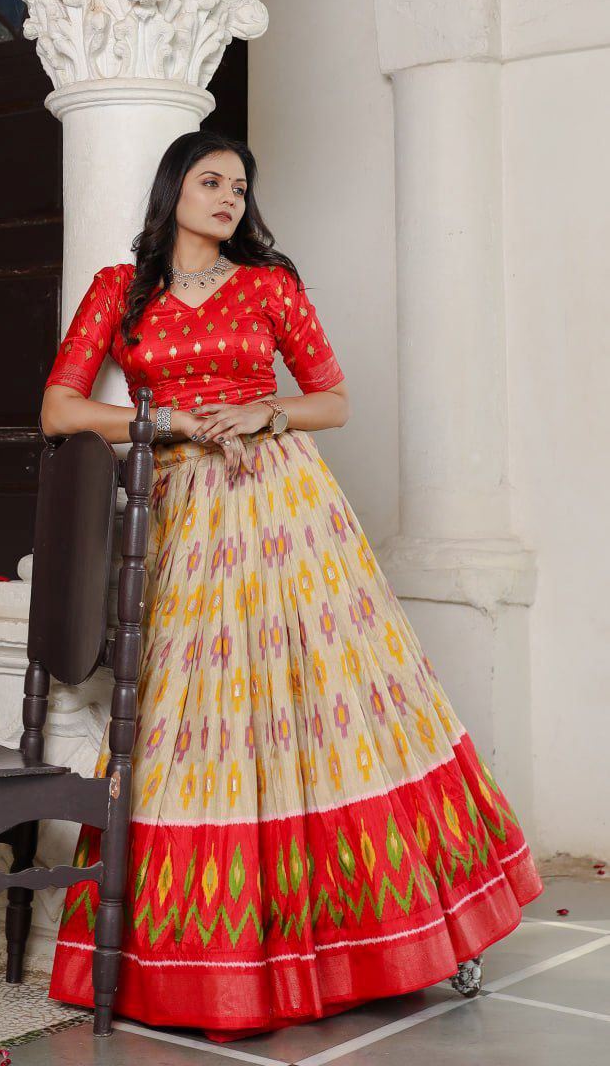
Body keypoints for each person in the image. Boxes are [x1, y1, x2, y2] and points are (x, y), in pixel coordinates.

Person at [40, 130, 542, 1040]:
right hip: (185, 510)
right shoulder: (120, 292)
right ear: (172, 191)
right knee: (199, 715)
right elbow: (61, 408)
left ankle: (392, 938)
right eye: (210, 181)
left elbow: (332, 398)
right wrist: (174, 419)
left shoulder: (270, 285)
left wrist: (268, 410)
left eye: (239, 185)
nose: (229, 197)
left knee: (330, 700)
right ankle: (212, 964)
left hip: (285, 507)